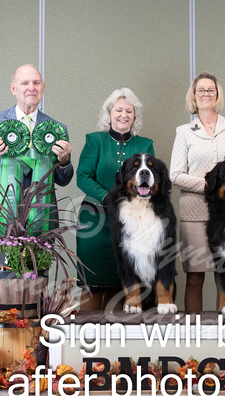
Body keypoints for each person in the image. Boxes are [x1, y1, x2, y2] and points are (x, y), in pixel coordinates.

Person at [170, 72, 225, 312]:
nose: (206, 94)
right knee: (195, 278)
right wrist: (207, 185)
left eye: (210, 90)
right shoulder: (184, 132)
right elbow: (175, 175)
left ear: (217, 94)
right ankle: (193, 338)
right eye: (200, 90)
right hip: (194, 213)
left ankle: (222, 336)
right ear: (193, 96)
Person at [0, 64, 73, 236]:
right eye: (25, 83)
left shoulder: (57, 129)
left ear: (43, 88)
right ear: (13, 88)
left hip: (41, 221)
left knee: (36, 264)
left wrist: (64, 162)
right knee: (0, 264)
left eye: (36, 83)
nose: (31, 88)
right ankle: (0, 264)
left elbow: (64, 179)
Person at [76, 88, 155, 310]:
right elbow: (82, 176)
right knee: (91, 285)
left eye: (129, 111)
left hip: (131, 224)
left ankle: (116, 342)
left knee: (123, 282)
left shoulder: (145, 145)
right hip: (94, 223)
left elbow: (151, 182)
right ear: (109, 113)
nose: (124, 114)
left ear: (135, 115)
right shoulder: (94, 141)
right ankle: (86, 340)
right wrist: (106, 197)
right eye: (118, 109)